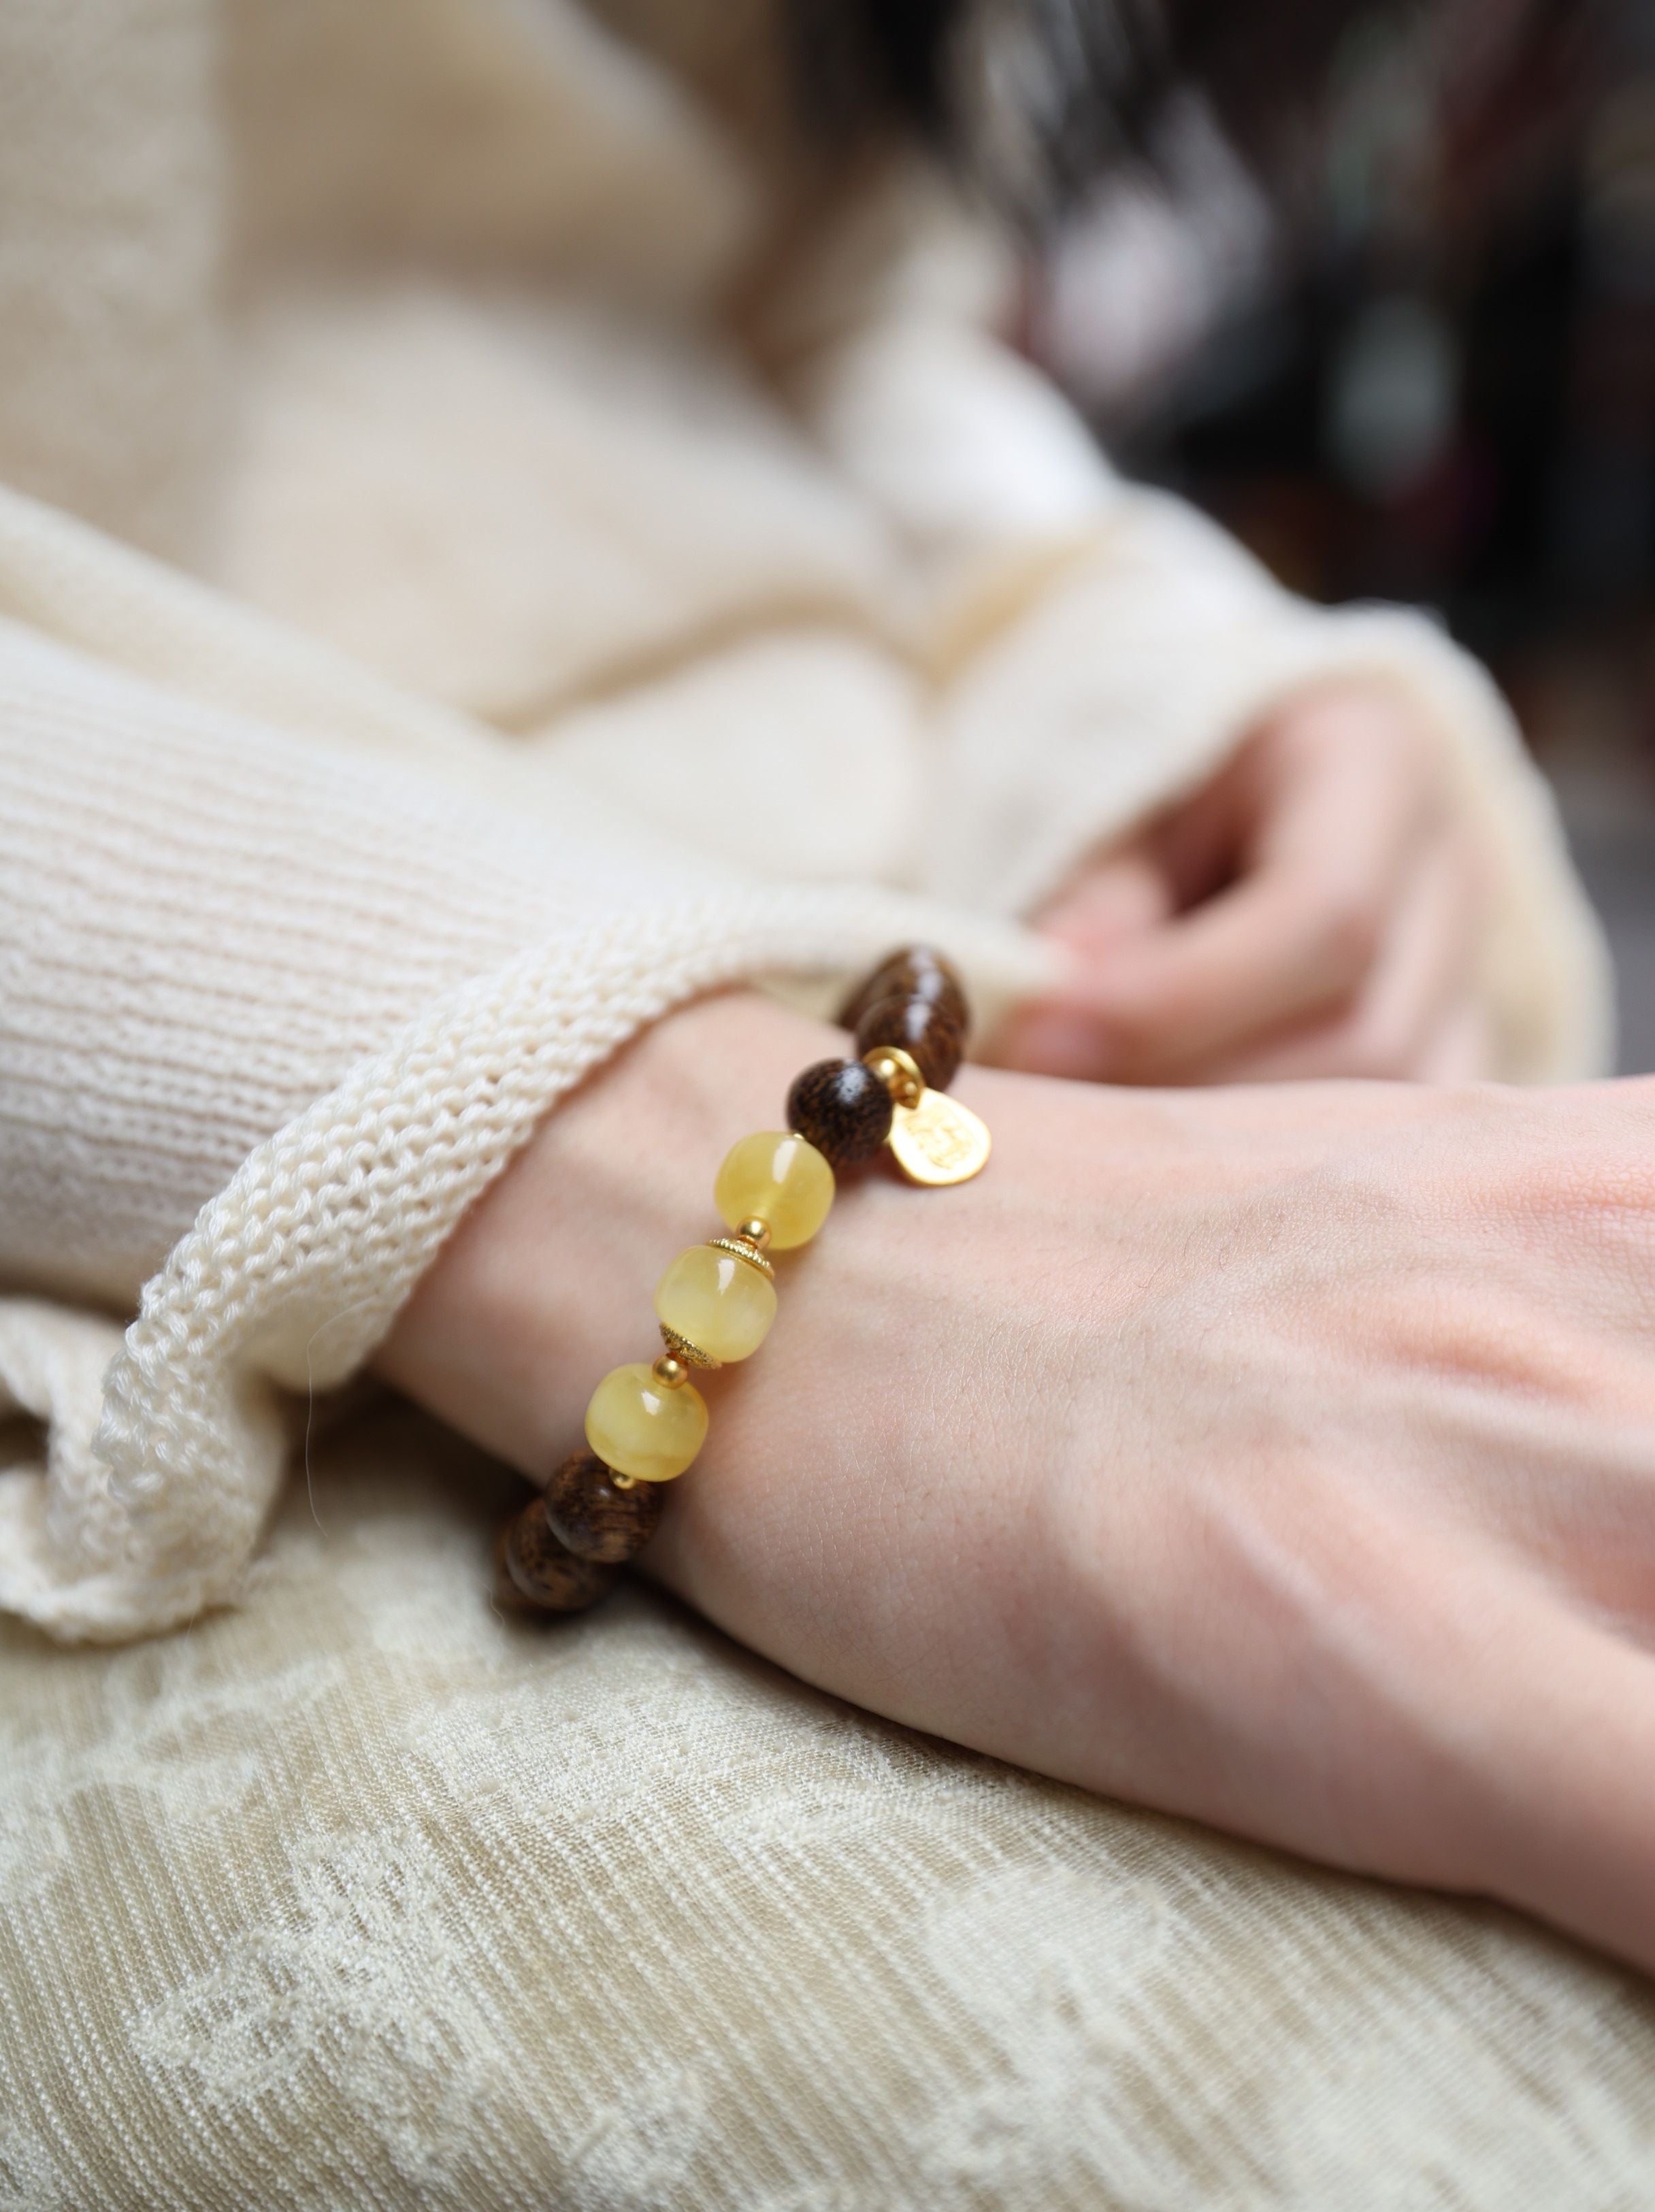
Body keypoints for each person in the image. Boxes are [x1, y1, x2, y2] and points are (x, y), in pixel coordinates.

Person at [0, 0, 1647, 2005]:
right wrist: (594, 1136)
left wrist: (1161, 667)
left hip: (890, 904)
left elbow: (802, 293)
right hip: (156, 1195)